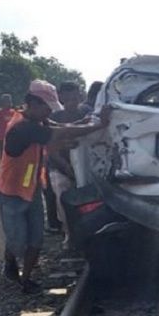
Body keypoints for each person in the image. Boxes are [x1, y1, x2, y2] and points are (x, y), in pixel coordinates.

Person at [0, 79, 109, 294]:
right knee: (18, 241)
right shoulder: (22, 127)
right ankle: (10, 262)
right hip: (11, 192)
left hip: (31, 188)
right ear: (32, 104)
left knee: (37, 238)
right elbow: (60, 134)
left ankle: (25, 279)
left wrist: (88, 121)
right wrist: (98, 125)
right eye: (46, 108)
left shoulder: (39, 122)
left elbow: (63, 127)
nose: (49, 112)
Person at [49, 82, 90, 248]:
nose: (74, 101)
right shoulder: (55, 118)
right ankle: (68, 234)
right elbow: (51, 150)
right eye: (70, 98)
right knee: (63, 200)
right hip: (60, 167)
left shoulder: (87, 113)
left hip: (84, 166)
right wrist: (67, 168)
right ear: (62, 98)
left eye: (76, 97)